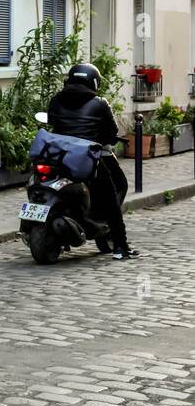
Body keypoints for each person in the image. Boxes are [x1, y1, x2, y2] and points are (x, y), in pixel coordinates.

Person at [47, 62, 137, 260]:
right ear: (94, 81)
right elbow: (112, 132)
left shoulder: (56, 100)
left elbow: (52, 122)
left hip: (59, 157)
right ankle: (121, 246)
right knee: (111, 197)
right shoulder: (99, 103)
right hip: (85, 160)